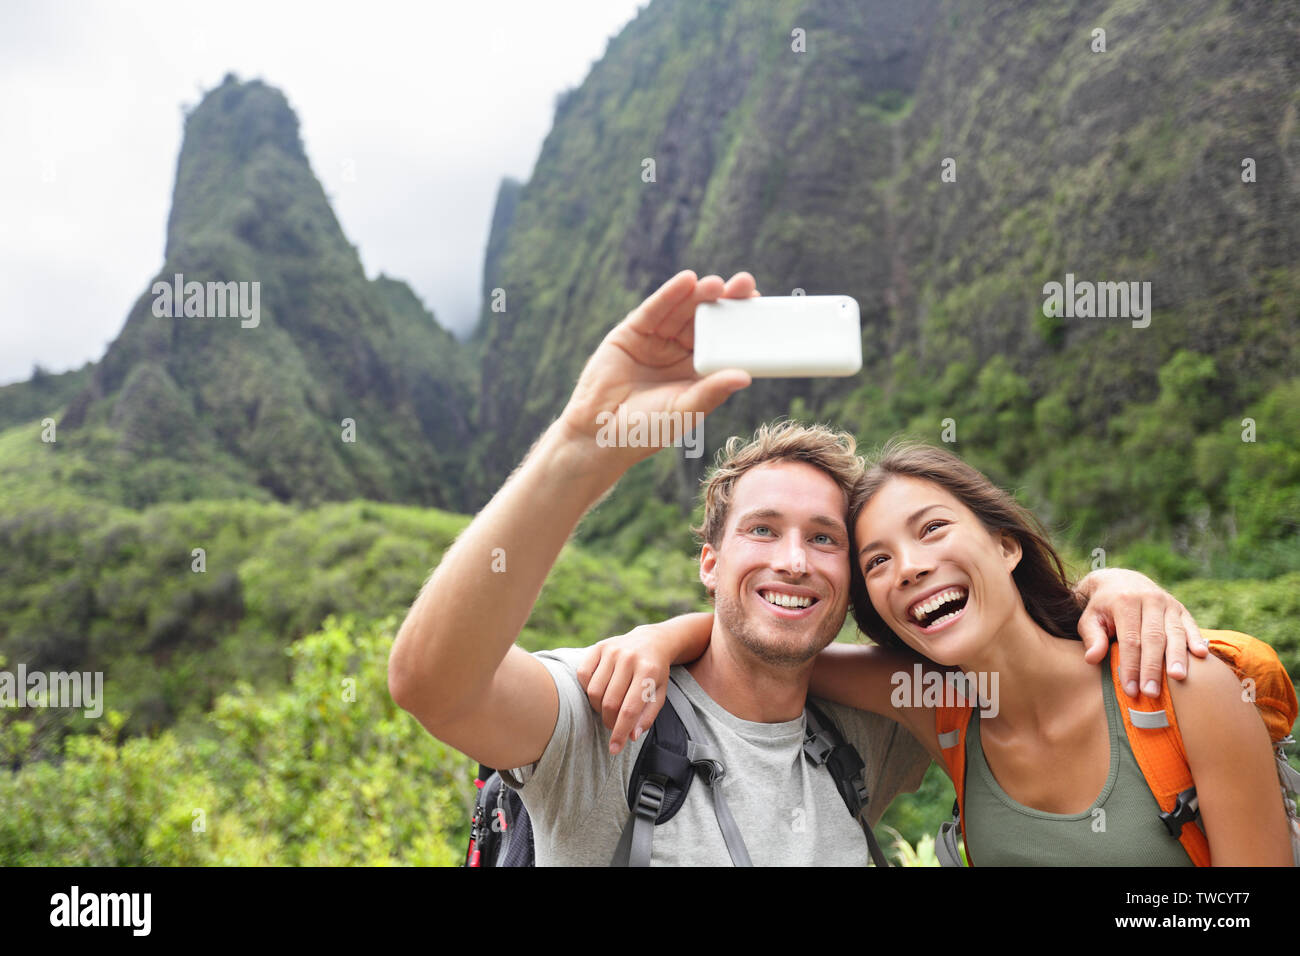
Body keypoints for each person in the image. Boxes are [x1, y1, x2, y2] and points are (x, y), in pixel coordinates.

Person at [388, 269, 1200, 866]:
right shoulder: (613, 710)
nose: (792, 560)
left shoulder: (878, 724)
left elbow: (1012, 658)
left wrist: (1107, 588)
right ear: (710, 561)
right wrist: (580, 449)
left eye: (825, 540)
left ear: (853, 582)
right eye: (762, 530)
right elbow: (435, 684)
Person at [584, 438, 1294, 865]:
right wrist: (657, 637)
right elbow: (769, 647)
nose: (911, 568)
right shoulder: (942, 707)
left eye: (932, 530)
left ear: (1006, 543)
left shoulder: (1178, 684)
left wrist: (1115, 582)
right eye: (878, 561)